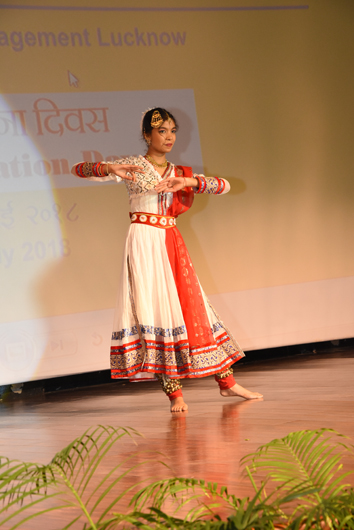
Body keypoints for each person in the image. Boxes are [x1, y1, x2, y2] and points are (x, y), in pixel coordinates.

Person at [71, 107, 263, 412]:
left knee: (192, 306)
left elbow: (222, 186)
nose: (169, 137)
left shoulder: (179, 172)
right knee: (156, 312)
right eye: (162, 131)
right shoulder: (133, 164)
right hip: (143, 241)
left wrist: (186, 184)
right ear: (147, 135)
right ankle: (175, 394)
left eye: (173, 131)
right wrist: (109, 169)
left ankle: (227, 383)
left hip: (171, 241)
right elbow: (78, 169)